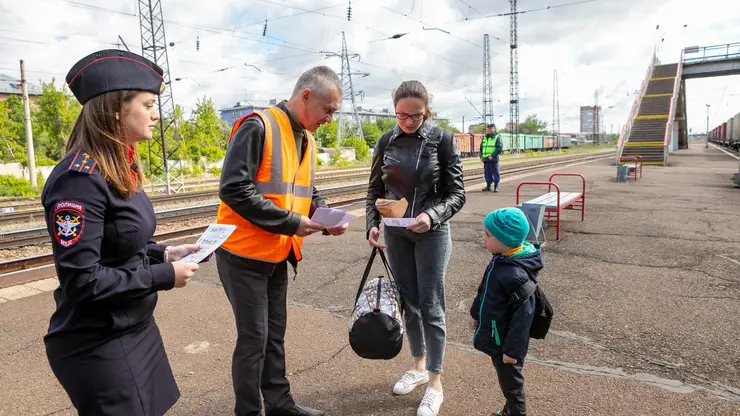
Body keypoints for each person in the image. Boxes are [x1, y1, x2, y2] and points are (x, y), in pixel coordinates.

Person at [41, 49, 202, 415]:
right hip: (97, 341)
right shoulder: (78, 181)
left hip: (134, 326)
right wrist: (164, 275)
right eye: (147, 104)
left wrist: (164, 253)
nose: (156, 113)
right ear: (116, 109)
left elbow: (125, 242)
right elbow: (82, 281)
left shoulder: (117, 166)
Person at [215, 65, 348, 416]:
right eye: (329, 110)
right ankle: (249, 411)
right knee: (253, 341)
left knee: (274, 336)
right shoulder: (258, 126)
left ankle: (279, 402)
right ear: (306, 96)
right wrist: (290, 222)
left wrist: (323, 214)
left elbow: (304, 189)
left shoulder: (306, 136)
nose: (330, 119)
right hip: (242, 253)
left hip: (277, 252)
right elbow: (233, 188)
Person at [366, 80, 466, 416]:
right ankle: (418, 366)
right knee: (409, 303)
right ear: (394, 111)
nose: (408, 122)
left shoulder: (443, 139)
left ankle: (435, 383)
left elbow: (457, 194)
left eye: (416, 116)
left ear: (428, 111)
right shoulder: (385, 140)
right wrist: (372, 224)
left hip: (432, 233)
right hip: (396, 233)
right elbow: (373, 191)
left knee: (431, 304)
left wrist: (431, 214)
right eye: (402, 115)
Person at [469, 208, 543, 416]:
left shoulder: (515, 275)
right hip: (498, 334)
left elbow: (523, 319)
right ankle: (509, 410)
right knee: (507, 382)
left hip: (507, 344)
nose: (483, 237)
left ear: (505, 239)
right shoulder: (501, 259)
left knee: (512, 385)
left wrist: (512, 352)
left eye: (488, 234)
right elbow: (484, 291)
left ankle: (516, 412)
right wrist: (477, 315)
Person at [480, 123, 503, 192]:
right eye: (488, 128)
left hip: (493, 159)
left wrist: (492, 156)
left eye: (491, 128)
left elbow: (499, 148)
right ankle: (488, 186)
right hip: (486, 159)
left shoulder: (497, 137)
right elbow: (481, 148)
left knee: (495, 173)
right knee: (487, 173)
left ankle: (496, 186)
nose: (489, 129)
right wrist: (481, 156)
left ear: (494, 129)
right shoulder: (485, 138)